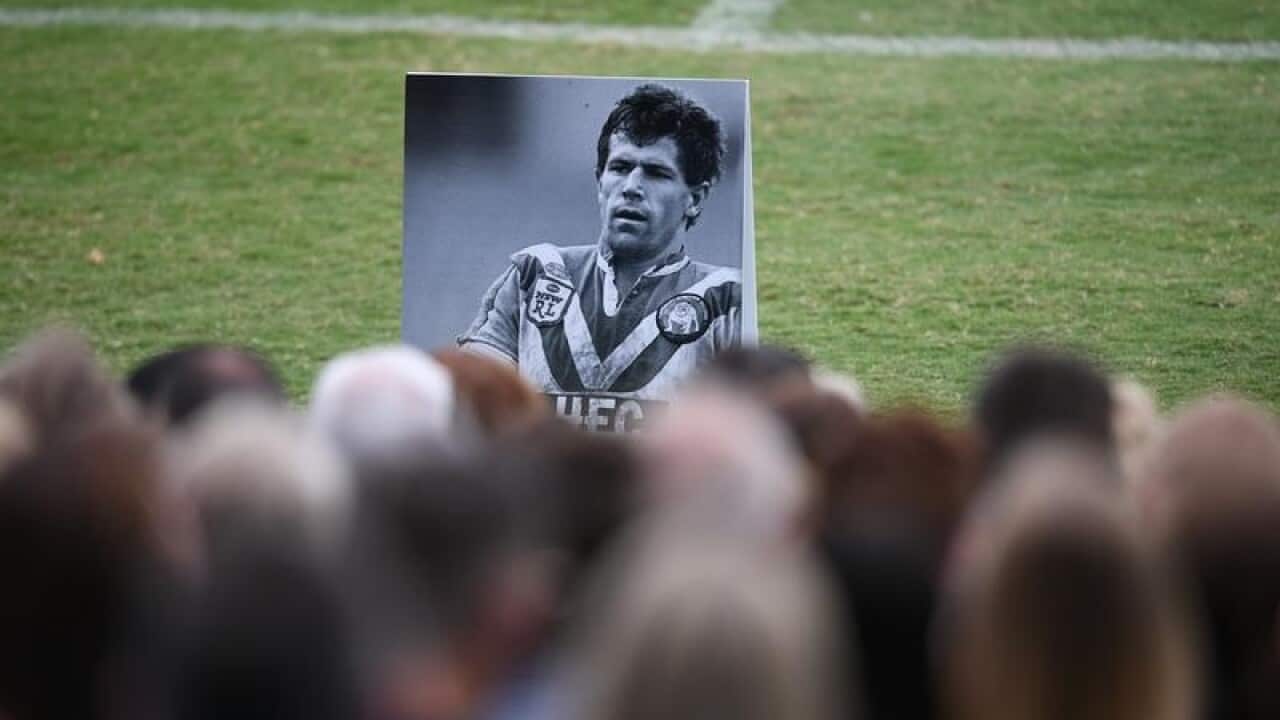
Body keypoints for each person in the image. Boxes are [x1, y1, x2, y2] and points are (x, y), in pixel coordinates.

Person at [459, 83, 742, 414]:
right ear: (600, 181)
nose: (631, 187)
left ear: (694, 199)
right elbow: (471, 398)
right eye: (620, 168)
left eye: (655, 173)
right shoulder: (535, 275)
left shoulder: (726, 300)